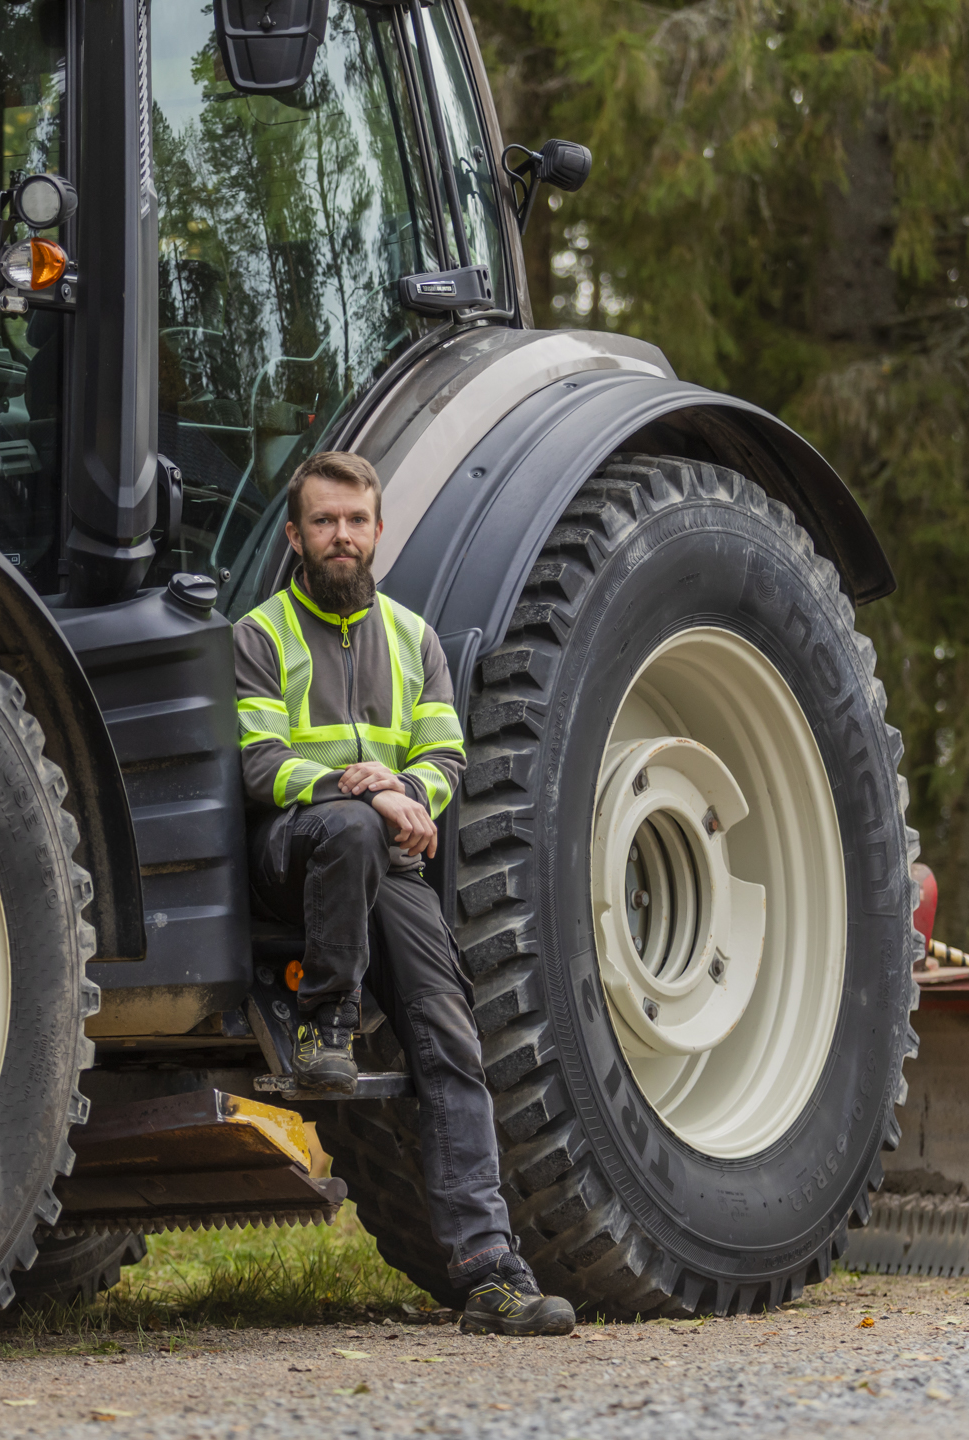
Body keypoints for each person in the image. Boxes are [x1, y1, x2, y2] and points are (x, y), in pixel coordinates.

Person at [233, 451, 576, 1338]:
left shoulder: (414, 639)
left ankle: (487, 1269)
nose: (340, 536)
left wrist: (408, 796)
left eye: (355, 521)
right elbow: (261, 766)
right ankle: (326, 1021)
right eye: (323, 522)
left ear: (378, 530)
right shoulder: (259, 636)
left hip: (391, 861)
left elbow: (446, 758)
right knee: (346, 829)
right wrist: (364, 790)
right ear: (295, 536)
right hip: (292, 857)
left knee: (450, 1035)